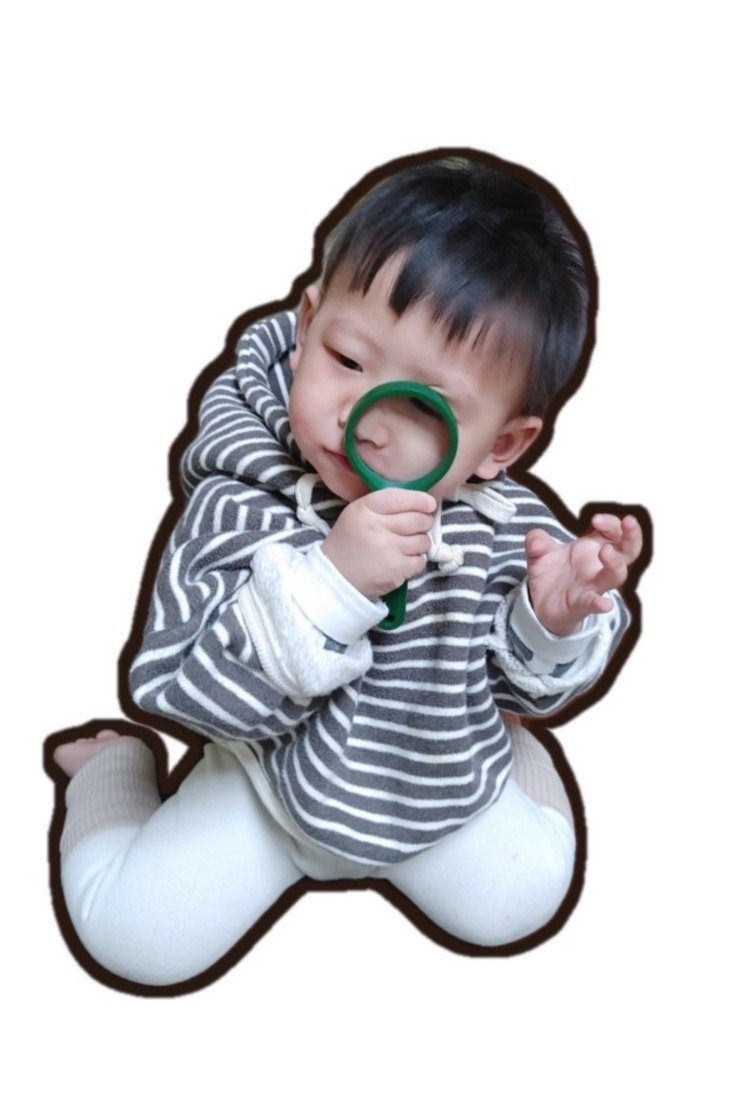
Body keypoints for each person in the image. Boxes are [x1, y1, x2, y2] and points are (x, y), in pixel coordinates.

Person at [51, 154, 644, 987]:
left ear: (501, 445)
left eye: (422, 404)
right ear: (306, 328)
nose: (364, 422)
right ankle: (109, 775)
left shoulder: (505, 523)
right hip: (265, 782)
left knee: (526, 898)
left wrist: (553, 618)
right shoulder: (243, 499)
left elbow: (531, 683)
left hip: (433, 775)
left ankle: (512, 757)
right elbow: (179, 687)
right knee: (135, 941)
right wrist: (329, 585)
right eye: (349, 360)